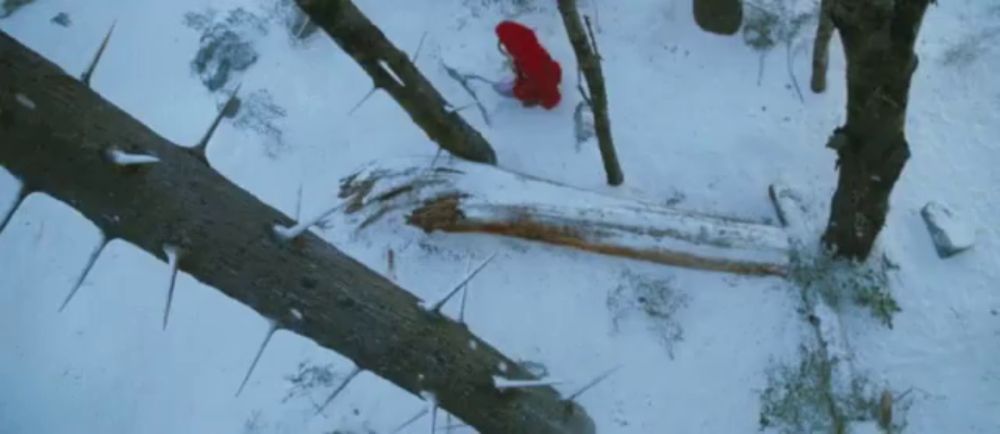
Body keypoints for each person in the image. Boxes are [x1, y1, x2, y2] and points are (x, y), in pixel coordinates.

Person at [495, 20, 562, 109]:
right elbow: (520, 90)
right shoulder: (535, 88)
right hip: (523, 54)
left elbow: (554, 67)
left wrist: (519, 88)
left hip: (528, 43)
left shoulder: (554, 76)